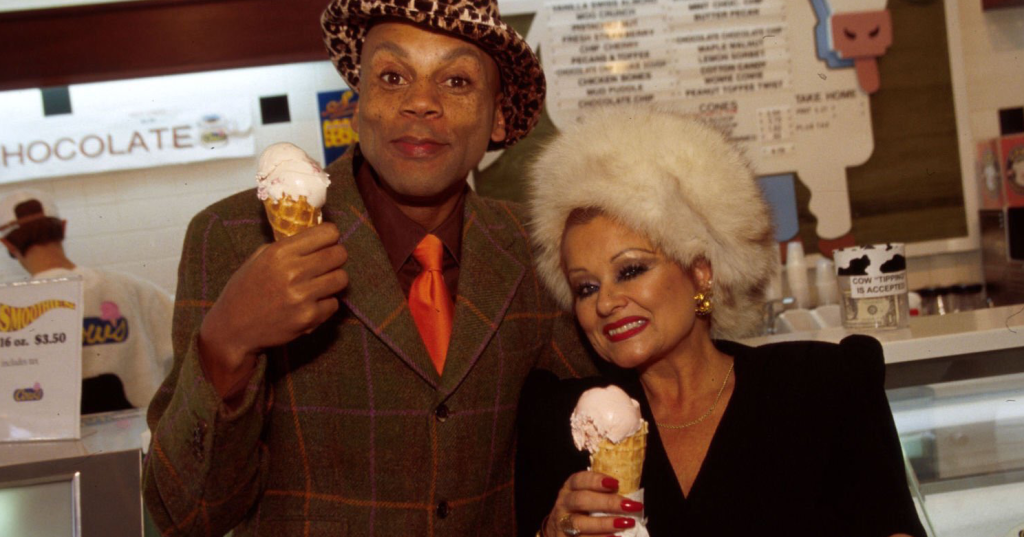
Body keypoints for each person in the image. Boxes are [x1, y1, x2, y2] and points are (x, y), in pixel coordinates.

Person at [141, 0, 595, 535]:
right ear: (358, 102)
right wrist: (226, 344)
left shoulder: (535, 248)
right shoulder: (235, 237)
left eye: (456, 81)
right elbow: (186, 515)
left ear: (497, 116)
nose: (420, 102)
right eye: (392, 76)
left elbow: (602, 419)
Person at [515, 106, 927, 537]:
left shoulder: (822, 384)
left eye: (631, 270)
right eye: (585, 287)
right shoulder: (563, 422)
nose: (606, 302)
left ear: (700, 271)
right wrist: (552, 533)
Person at [0, 188, 173, 414]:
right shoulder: (134, 289)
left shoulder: (8, 309)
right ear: (63, 228)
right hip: (140, 431)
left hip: (51, 434)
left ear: (7, 244)